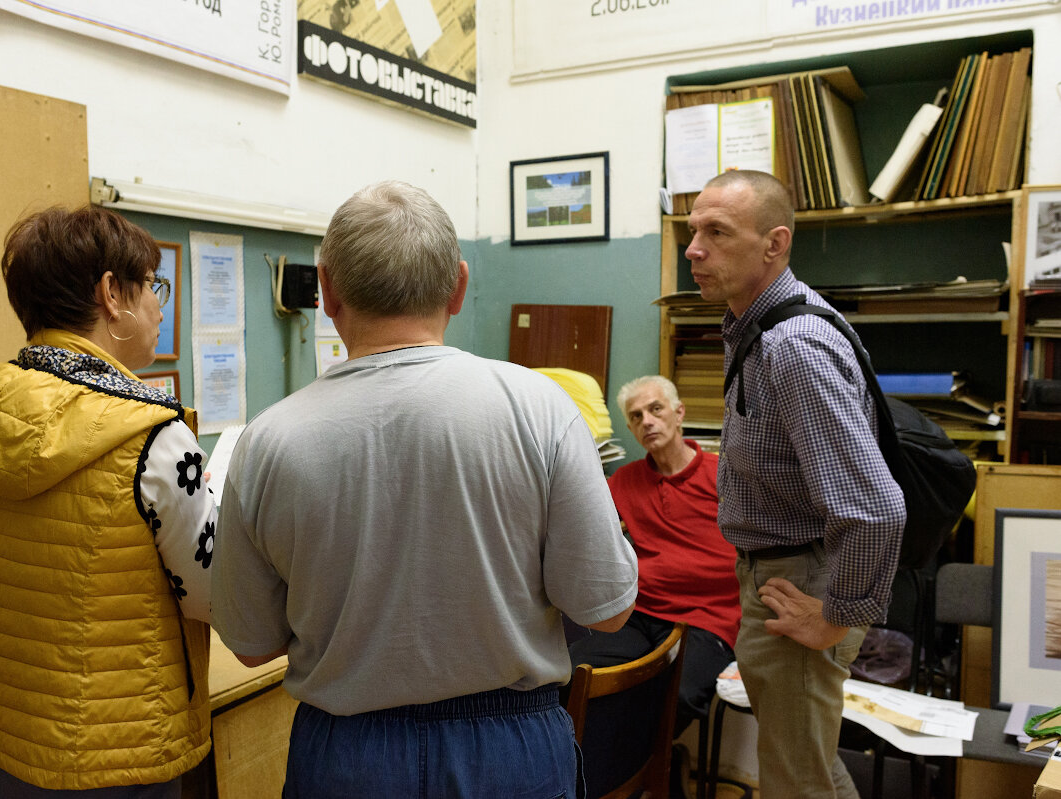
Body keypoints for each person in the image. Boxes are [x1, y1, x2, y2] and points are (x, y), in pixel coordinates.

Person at [211, 180, 638, 799]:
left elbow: (250, 648)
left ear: (327, 290)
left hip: (346, 758)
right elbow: (608, 607)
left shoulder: (266, 441)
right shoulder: (541, 409)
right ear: (460, 286)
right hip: (510, 754)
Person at [0, 206, 218, 798]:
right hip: (115, 750)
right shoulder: (154, 436)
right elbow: (212, 592)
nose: (158, 306)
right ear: (111, 296)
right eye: (153, 286)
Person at [685, 169, 905, 798]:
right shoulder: (752, 324)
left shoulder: (792, 345)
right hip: (783, 572)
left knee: (795, 781)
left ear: (773, 244)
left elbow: (876, 508)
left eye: (717, 232)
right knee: (802, 766)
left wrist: (839, 616)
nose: (694, 250)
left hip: (801, 582)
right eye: (693, 230)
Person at [569, 374, 739, 737]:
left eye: (655, 409)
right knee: (573, 674)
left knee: (678, 696)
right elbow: (584, 528)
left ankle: (649, 776)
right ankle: (609, 776)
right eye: (635, 416)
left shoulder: (724, 474)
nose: (646, 420)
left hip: (707, 618)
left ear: (679, 414)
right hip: (640, 612)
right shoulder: (623, 482)